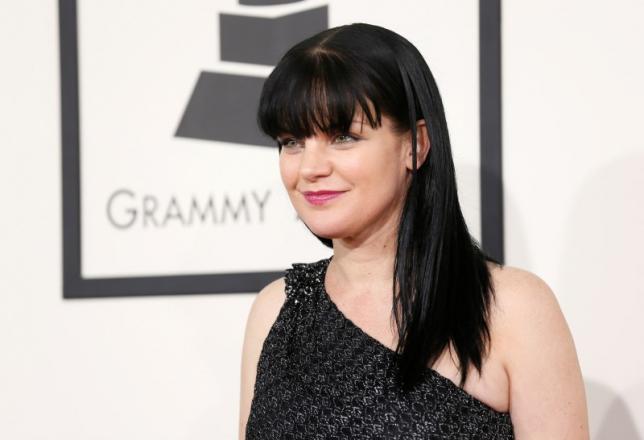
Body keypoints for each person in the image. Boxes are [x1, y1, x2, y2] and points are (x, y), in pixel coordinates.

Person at [238, 23, 589, 439]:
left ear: (415, 145)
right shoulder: (275, 311)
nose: (310, 167)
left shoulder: (511, 310)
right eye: (292, 141)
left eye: (343, 136)